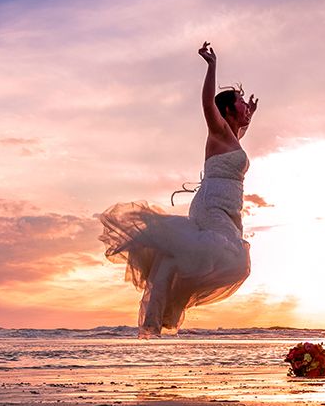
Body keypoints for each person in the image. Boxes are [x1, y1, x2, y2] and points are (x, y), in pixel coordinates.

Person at [98, 42, 257, 337]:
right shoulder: (219, 130)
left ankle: (159, 315)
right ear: (226, 110)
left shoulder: (232, 137)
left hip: (229, 210)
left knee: (209, 258)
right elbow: (208, 104)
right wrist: (211, 67)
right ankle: (156, 316)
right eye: (240, 100)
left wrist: (249, 117)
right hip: (212, 206)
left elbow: (237, 136)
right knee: (227, 259)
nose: (245, 102)